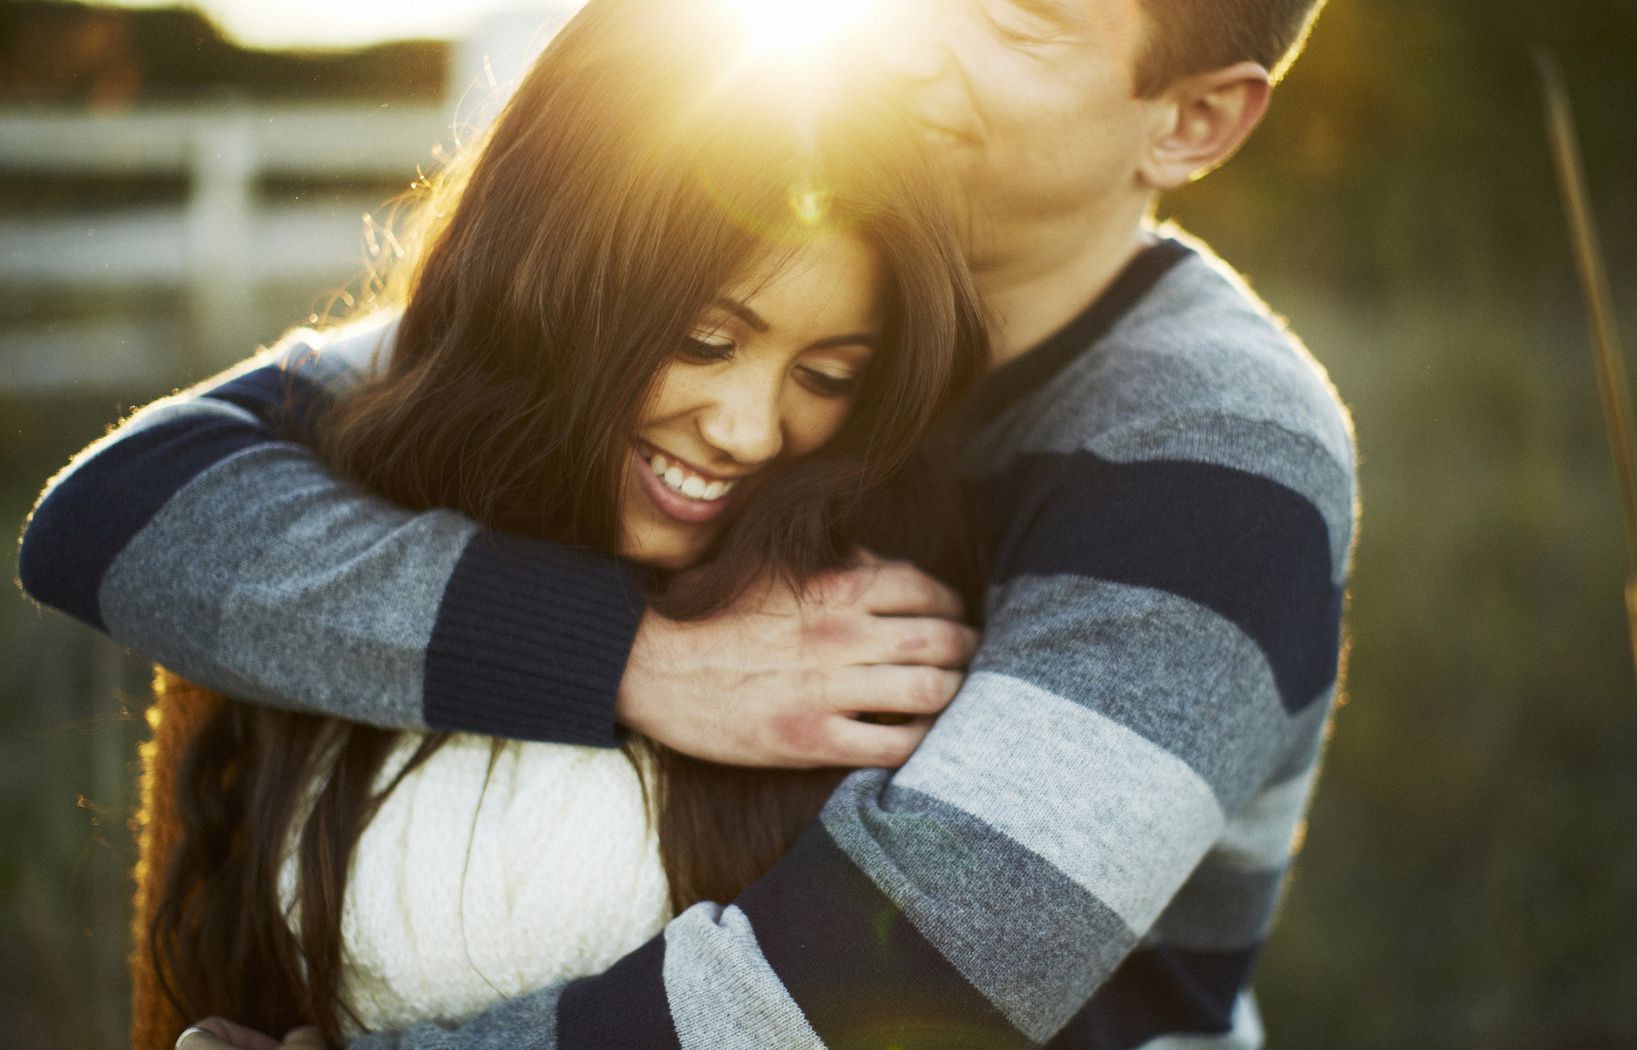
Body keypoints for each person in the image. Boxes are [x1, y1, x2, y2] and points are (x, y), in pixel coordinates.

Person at [17, 0, 1358, 1045]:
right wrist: (632, 656)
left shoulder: (1216, 452)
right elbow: (125, 511)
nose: (903, 45)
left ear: (1193, 120)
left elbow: (933, 972)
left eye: (1013, 20)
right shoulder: (794, 260)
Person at [72, 2, 989, 1046]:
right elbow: (93, 515)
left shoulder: (871, 622)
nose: (747, 429)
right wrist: (632, 660)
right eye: (700, 338)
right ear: (558, 274)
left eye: (828, 374)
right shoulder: (330, 508)